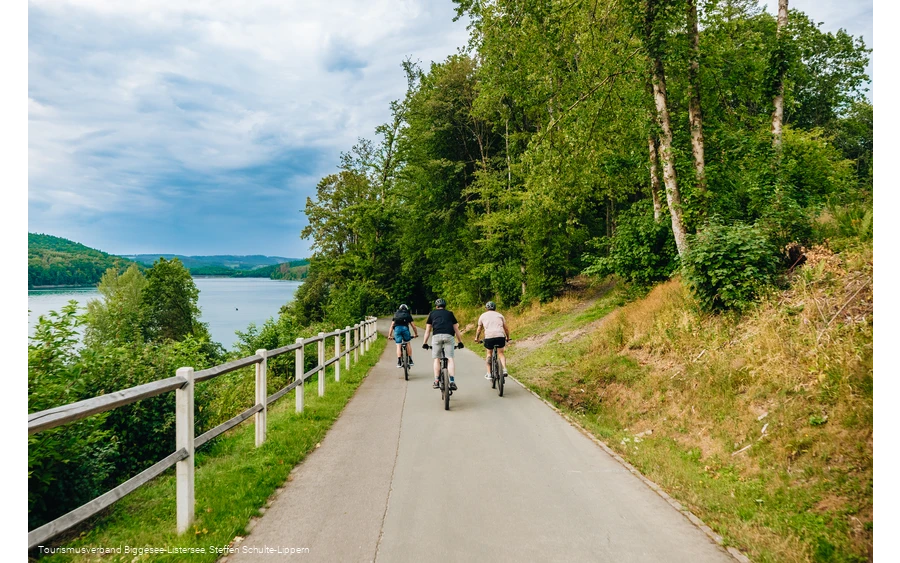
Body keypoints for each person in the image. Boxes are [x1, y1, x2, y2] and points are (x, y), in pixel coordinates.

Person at [421, 298, 465, 390]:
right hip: (449, 336)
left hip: (436, 336)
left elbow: (428, 330)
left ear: (436, 306)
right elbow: (456, 329)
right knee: (450, 358)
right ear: (445, 306)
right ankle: (452, 381)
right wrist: (460, 342)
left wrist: (424, 343)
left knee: (437, 359)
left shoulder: (432, 314)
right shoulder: (450, 314)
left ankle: (436, 381)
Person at [473, 301, 510, 380]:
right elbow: (506, 328)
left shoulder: (483, 316)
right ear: (495, 308)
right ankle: (504, 369)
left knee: (489, 353)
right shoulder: (500, 315)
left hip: (489, 337)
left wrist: (477, 338)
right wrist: (507, 337)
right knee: (501, 353)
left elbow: (479, 329)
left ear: (486, 308)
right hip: (500, 336)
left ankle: (489, 374)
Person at [388, 304, 418, 368]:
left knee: (398, 346)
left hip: (397, 330)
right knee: (408, 343)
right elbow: (413, 326)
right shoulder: (408, 315)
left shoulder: (396, 314)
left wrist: (389, 335)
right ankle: (410, 360)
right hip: (405, 329)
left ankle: (399, 361)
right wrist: (416, 334)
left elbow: (392, 325)